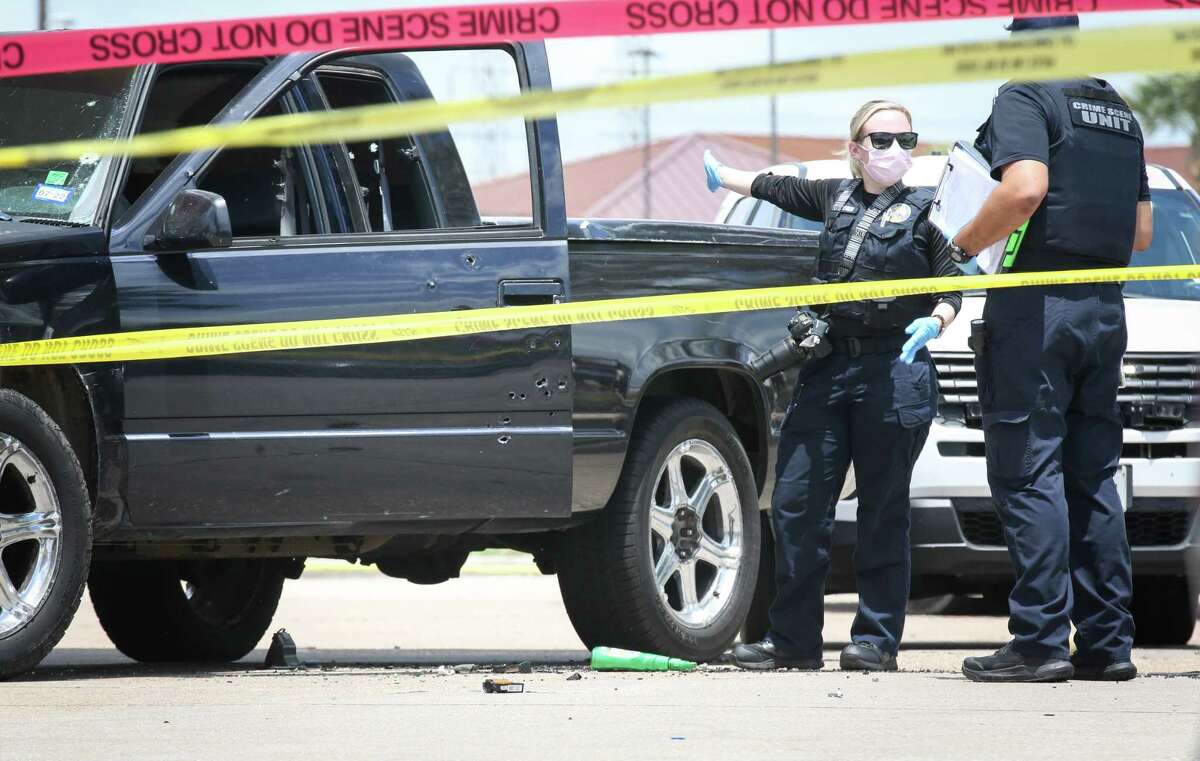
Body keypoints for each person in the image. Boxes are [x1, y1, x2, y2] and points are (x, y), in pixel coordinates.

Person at [704, 100, 962, 672]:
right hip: (826, 370)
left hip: (894, 370)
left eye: (905, 139)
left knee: (882, 511)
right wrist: (724, 177)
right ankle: (792, 641)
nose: (894, 150)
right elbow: (776, 188)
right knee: (796, 504)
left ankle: (875, 641)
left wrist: (938, 319)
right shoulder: (833, 196)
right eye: (881, 139)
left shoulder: (927, 211)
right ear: (855, 148)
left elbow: (955, 281)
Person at [946, 15, 1155, 683]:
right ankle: (1107, 641)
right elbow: (1143, 232)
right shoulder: (1120, 112)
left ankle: (1038, 641)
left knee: (1027, 468)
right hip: (1105, 305)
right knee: (1092, 473)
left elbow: (1025, 188)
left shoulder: (1027, 94)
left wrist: (960, 244)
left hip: (1039, 306)